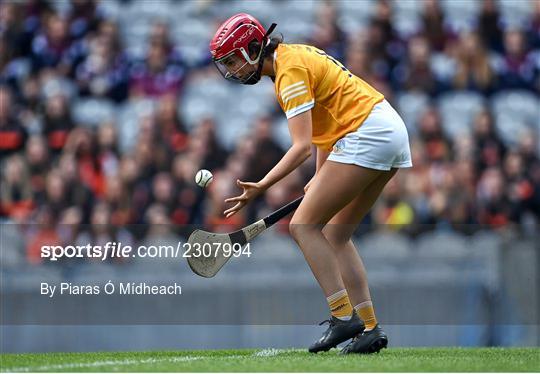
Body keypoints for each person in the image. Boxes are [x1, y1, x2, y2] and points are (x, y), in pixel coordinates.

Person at [209, 13, 412, 354]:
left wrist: (262, 184)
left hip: (367, 133)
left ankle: (343, 316)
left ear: (254, 48)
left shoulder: (288, 73)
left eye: (233, 60)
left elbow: (301, 146)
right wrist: (321, 175)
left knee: (303, 226)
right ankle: (369, 329)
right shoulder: (294, 56)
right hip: (387, 129)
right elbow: (322, 133)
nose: (231, 70)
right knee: (335, 235)